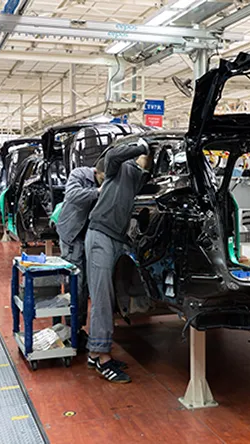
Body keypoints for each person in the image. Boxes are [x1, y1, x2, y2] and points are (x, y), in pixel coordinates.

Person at [85, 138, 152, 384]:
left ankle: (95, 352)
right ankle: (102, 357)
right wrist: (142, 145)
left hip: (117, 238)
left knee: (110, 297)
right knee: (102, 297)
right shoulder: (120, 167)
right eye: (146, 155)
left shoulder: (141, 177)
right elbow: (112, 155)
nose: (148, 159)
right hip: (101, 235)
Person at [56, 159, 105, 349]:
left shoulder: (105, 180)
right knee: (75, 284)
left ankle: (78, 328)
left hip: (88, 237)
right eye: (103, 179)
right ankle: (72, 330)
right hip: (72, 236)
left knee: (84, 285)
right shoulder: (79, 174)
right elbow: (72, 195)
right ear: (97, 172)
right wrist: (98, 192)